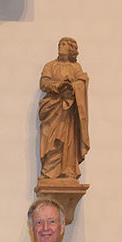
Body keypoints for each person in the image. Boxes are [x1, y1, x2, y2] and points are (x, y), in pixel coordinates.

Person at [39, 37, 90, 179]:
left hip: (69, 110)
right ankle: (49, 171)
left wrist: (73, 86)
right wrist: (58, 86)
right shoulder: (50, 65)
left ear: (71, 49)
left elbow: (82, 81)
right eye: (60, 44)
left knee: (67, 141)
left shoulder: (76, 67)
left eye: (64, 45)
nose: (60, 47)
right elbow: (44, 82)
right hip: (53, 108)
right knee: (51, 139)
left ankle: (68, 170)